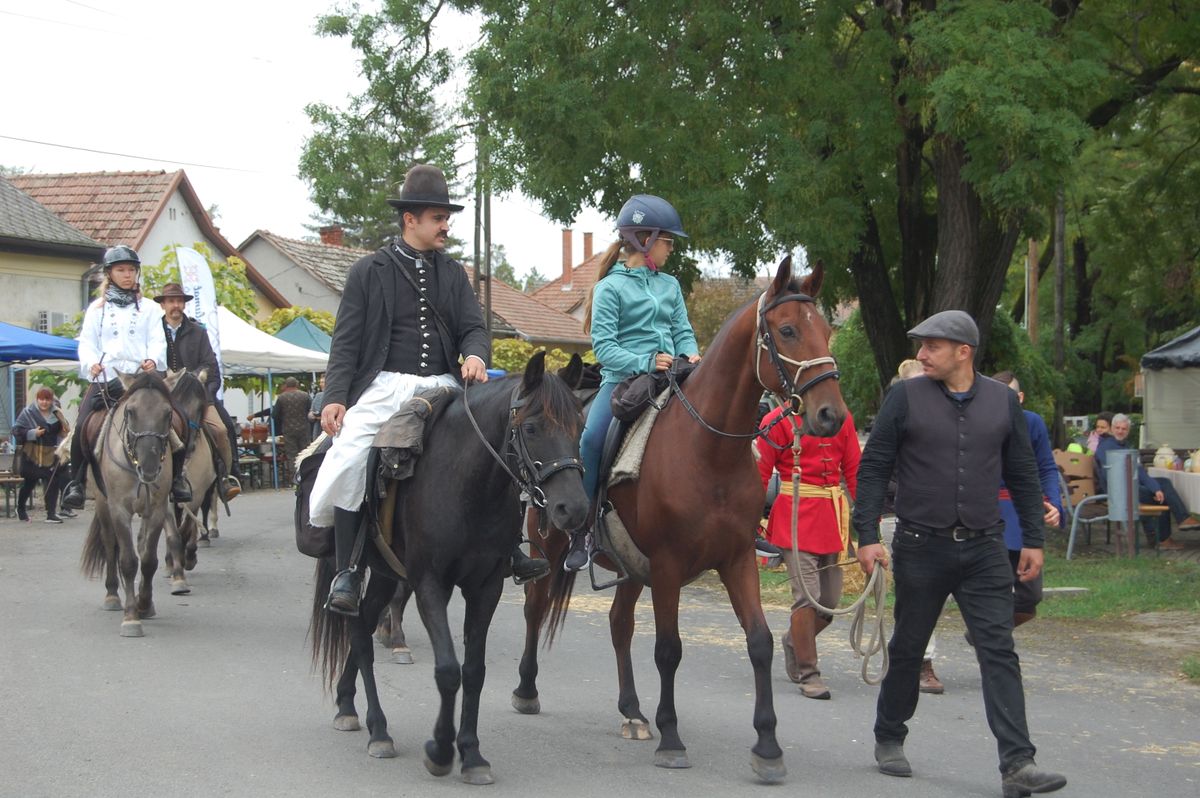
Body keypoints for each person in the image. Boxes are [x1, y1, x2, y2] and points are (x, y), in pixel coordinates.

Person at [852, 310, 1066, 796]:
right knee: (908, 646)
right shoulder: (904, 397)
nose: (921, 354)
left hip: (986, 546)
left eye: (932, 346)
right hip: (919, 545)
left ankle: (1018, 764)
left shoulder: (1002, 401)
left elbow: (1024, 475)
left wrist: (1033, 538)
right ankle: (889, 735)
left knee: (999, 650)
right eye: (920, 346)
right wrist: (866, 534)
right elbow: (874, 467)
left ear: (963, 352)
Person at [313, 164, 540, 617]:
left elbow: (474, 328)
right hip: (383, 386)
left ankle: (509, 547)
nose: (445, 226)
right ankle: (349, 570)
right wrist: (337, 396)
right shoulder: (367, 272)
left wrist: (476, 355)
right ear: (409, 220)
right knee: (351, 452)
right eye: (437, 217)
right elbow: (346, 343)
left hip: (442, 385)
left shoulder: (454, 274)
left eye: (446, 217)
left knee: (496, 444)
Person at [564, 194, 701, 571]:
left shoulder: (670, 285)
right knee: (590, 440)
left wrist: (692, 354)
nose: (671, 248)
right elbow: (605, 348)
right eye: (667, 240)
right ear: (645, 239)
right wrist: (644, 361)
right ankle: (583, 530)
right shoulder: (611, 288)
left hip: (671, 377)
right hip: (623, 382)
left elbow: (682, 331)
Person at [756, 404, 859, 699]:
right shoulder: (776, 420)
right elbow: (760, 473)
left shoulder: (843, 417)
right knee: (807, 597)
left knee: (829, 602)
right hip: (795, 514)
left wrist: (869, 528)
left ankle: (794, 641)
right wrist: (750, 520)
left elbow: (854, 469)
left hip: (831, 514)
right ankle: (809, 672)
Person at [62, 245, 170, 510]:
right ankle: (76, 482)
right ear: (110, 273)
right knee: (82, 424)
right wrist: (91, 364)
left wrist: (153, 359)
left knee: (174, 419)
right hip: (107, 377)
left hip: (140, 380)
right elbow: (86, 344)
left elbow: (158, 341)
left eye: (131, 270)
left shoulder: (150, 309)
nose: (127, 275)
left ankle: (178, 479)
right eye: (121, 270)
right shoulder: (96, 310)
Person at [990, 371, 1063, 635]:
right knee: (993, 594)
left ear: (1020, 397)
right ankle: (993, 645)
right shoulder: (977, 422)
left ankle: (983, 634)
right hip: (988, 516)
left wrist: (1054, 503)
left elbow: (1046, 468)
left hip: (1023, 516)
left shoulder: (1033, 423)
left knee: (1029, 597)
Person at [155, 282, 242, 502]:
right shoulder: (152, 330)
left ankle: (226, 477)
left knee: (222, 429)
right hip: (164, 398)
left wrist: (200, 388)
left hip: (195, 397)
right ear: (163, 305)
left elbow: (210, 366)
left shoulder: (198, 332)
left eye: (180, 301)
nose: (176, 305)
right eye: (171, 301)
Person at [891, 359, 944, 695]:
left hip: (939, 519)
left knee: (930, 593)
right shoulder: (896, 415)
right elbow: (874, 470)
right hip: (896, 516)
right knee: (914, 591)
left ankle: (913, 658)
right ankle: (919, 662)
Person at [1094, 413, 1200, 550]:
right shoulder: (1106, 446)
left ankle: (1180, 522)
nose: (1120, 431)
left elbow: (1139, 471)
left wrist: (1155, 488)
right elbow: (1118, 476)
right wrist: (1153, 489)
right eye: (1117, 428)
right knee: (1162, 497)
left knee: (1164, 483)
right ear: (1112, 429)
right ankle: (1165, 538)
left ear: (1128, 431)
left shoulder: (1126, 445)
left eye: (1124, 429)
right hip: (1119, 490)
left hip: (1131, 484)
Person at [11, 388, 70, 523]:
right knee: (29, 483)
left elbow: (64, 429)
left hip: (49, 453)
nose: (44, 402)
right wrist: (32, 433)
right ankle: (20, 509)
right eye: (41, 399)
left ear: (51, 400)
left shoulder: (56, 413)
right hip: (30, 453)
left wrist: (64, 432)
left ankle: (51, 513)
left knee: (52, 479)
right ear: (37, 399)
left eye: (47, 399)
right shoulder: (28, 413)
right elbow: (16, 430)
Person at [271, 377, 312, 483]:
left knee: (292, 455)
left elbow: (275, 415)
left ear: (286, 385)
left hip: (288, 429)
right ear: (297, 384)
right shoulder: (305, 395)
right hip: (304, 428)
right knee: (306, 452)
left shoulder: (281, 398)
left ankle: (295, 479)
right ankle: (307, 476)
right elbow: (310, 410)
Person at [308, 375, 327, 440]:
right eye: (320, 382)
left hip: (329, 428)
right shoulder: (318, 396)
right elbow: (310, 413)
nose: (321, 384)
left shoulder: (335, 396)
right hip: (318, 429)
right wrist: (312, 415)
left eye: (323, 382)